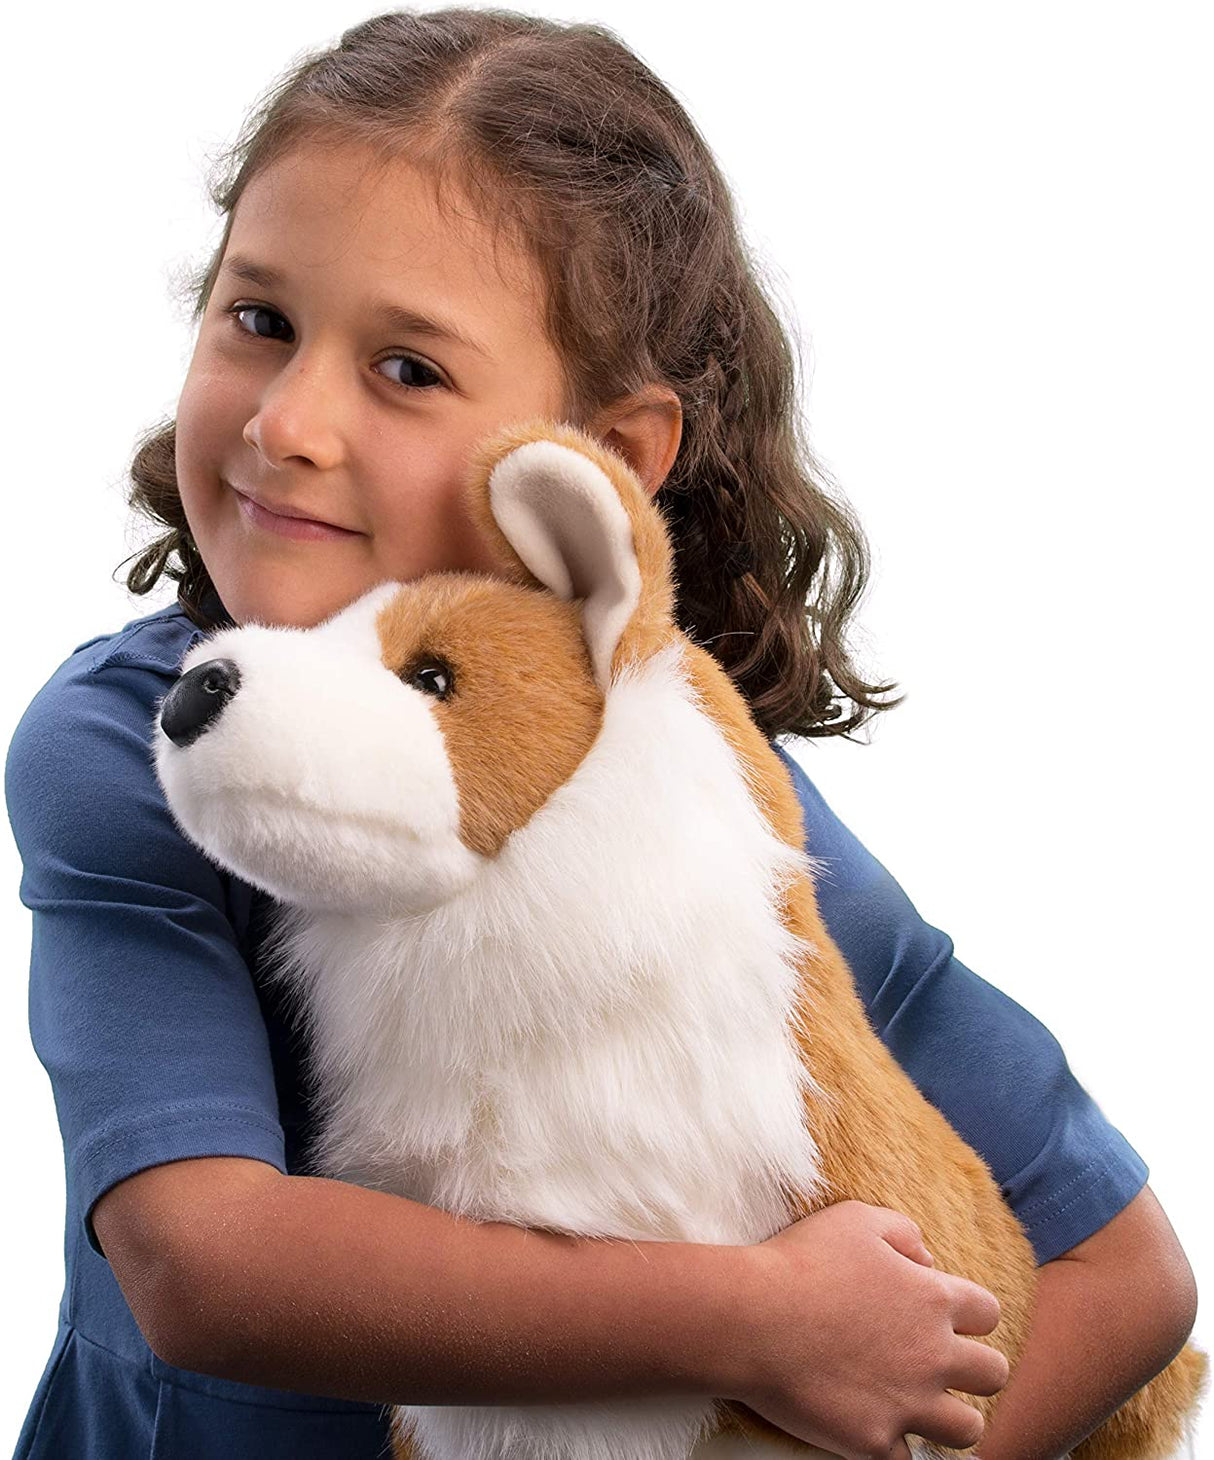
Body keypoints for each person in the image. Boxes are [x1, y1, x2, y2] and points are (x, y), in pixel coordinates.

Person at [3, 9, 1198, 1460]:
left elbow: (1125, 1271)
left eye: (408, 370)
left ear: (607, 466)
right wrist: (755, 1321)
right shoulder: (133, 744)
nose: (289, 423)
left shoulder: (696, 788)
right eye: (260, 321)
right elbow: (206, 1265)